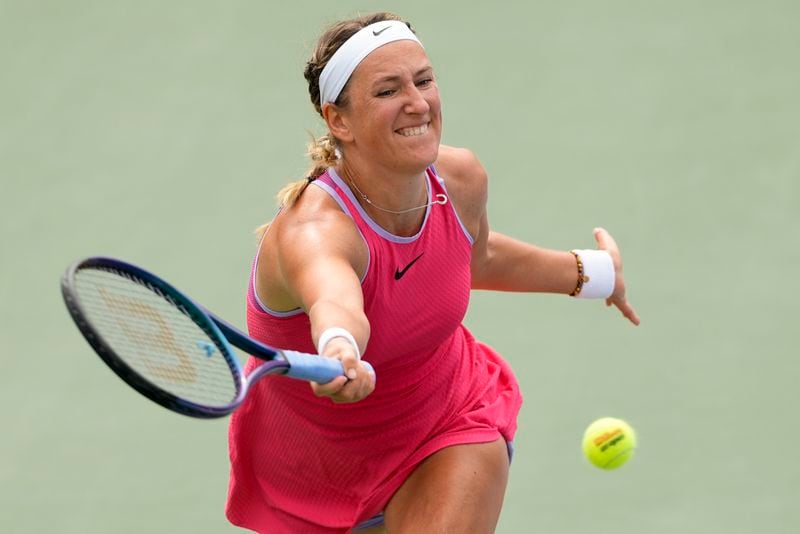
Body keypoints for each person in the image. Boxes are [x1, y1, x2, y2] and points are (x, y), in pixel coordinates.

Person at [226, 11, 639, 534]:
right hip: (314, 472)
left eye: (424, 80)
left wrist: (595, 273)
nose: (418, 103)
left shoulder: (459, 177)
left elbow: (475, 257)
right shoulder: (314, 232)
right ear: (339, 121)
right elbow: (335, 300)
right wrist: (339, 347)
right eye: (387, 91)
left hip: (446, 420)